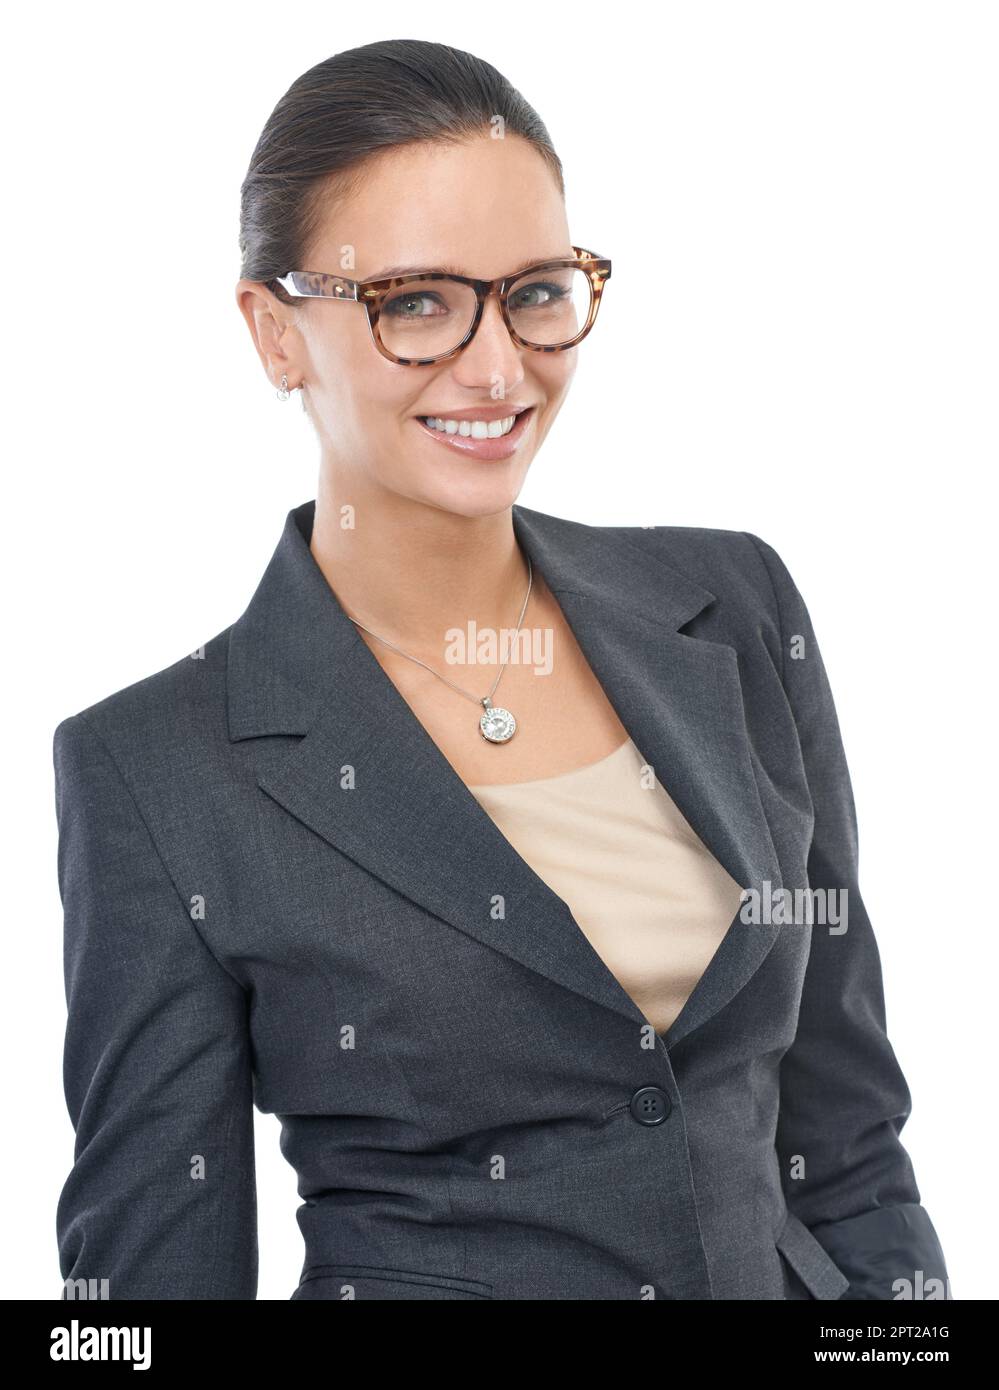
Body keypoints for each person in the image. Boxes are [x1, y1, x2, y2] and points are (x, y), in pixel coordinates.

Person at [53, 38, 949, 1301]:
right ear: (275, 332)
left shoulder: (734, 607)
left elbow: (847, 1144)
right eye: (413, 301)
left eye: (534, 289)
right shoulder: (157, 768)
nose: (495, 366)